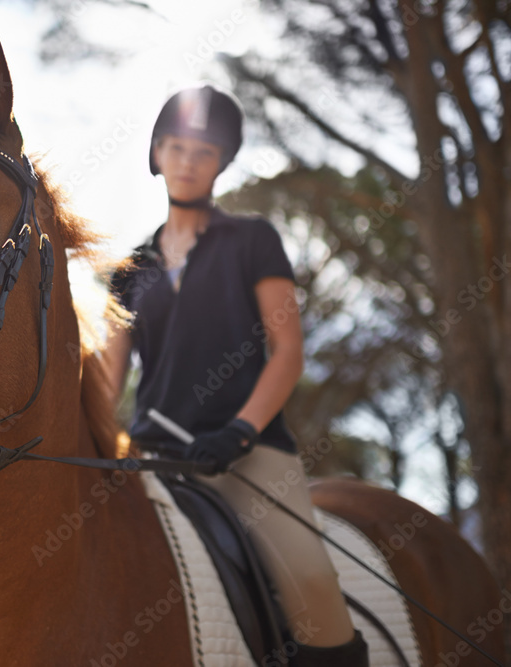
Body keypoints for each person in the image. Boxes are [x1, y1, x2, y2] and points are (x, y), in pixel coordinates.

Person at [106, 84, 369, 666]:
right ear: (156, 155)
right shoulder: (130, 270)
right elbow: (106, 380)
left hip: (248, 455)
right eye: (175, 147)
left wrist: (240, 432)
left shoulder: (253, 239)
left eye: (204, 151)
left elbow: (288, 352)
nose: (188, 162)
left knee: (311, 582)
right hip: (152, 459)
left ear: (222, 162)